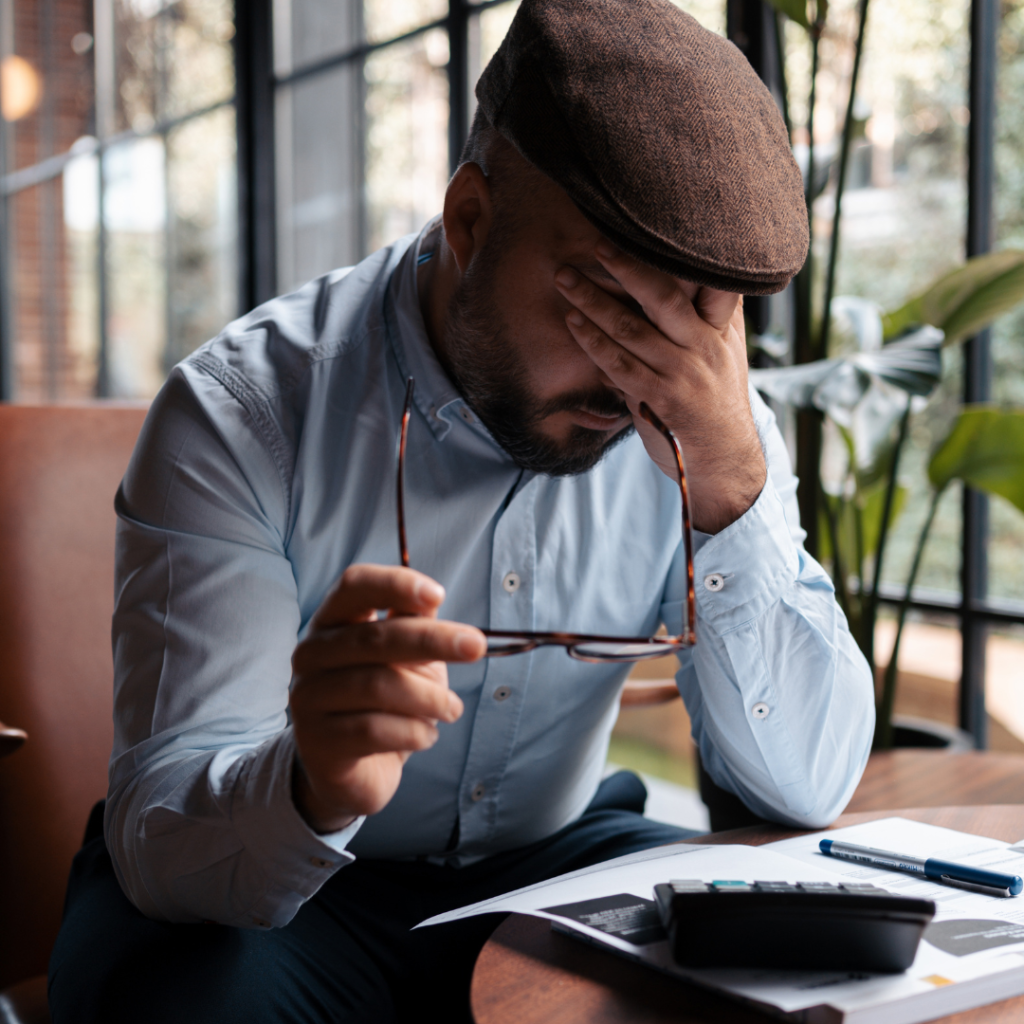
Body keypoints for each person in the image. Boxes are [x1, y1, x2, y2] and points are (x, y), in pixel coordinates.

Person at [49, 1, 874, 1020]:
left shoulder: (704, 419)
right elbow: (163, 830)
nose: (635, 380)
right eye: (602, 310)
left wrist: (731, 491)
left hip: (556, 861)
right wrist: (311, 781)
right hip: (278, 892)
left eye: (684, 330)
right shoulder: (242, 414)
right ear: (470, 221)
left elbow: (808, 785)